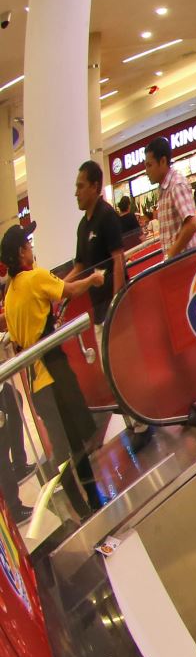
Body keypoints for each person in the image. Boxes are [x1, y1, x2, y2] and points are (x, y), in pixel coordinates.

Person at [3, 227, 105, 513]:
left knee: (61, 452)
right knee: (78, 442)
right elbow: (69, 290)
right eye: (28, 245)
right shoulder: (35, 277)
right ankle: (94, 501)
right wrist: (94, 278)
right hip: (54, 371)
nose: (31, 249)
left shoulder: (9, 295)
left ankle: (81, 509)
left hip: (36, 382)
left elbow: (15, 337)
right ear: (21, 253)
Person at [70, 162, 126, 323]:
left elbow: (118, 260)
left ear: (94, 187)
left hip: (115, 310)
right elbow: (79, 266)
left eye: (80, 187)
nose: (76, 193)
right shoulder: (82, 226)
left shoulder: (107, 215)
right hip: (98, 310)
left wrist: (116, 305)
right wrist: (57, 286)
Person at [144, 137, 196, 258]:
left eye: (149, 165)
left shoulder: (176, 184)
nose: (146, 171)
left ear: (163, 161)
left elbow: (191, 224)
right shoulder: (164, 188)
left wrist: (170, 256)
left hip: (187, 264)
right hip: (180, 264)